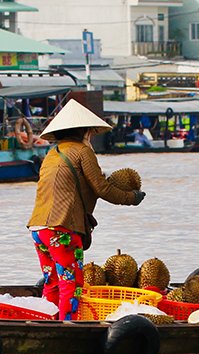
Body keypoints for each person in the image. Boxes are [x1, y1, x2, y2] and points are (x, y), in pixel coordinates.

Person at [27, 100, 147, 320]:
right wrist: (132, 198)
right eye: (91, 132)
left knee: (52, 283)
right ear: (85, 132)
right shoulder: (83, 151)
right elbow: (102, 188)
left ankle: (47, 323)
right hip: (61, 228)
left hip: (38, 228)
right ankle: (69, 328)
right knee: (72, 285)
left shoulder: (52, 154)